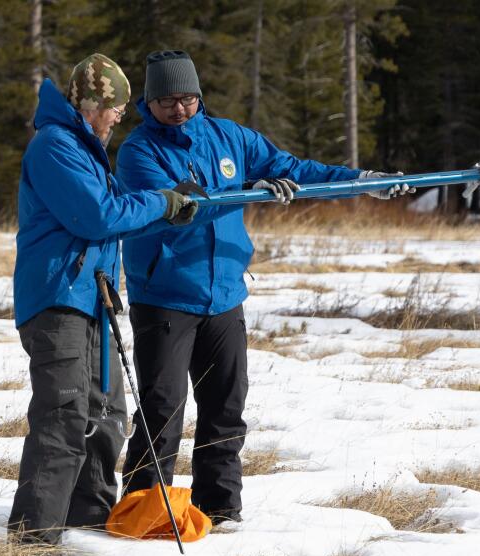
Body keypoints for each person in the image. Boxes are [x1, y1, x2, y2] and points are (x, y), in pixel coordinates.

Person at [115, 49, 411, 524]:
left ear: (199, 97)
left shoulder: (229, 136)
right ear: (148, 103)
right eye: (167, 100)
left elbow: (295, 167)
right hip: (166, 297)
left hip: (225, 296)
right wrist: (256, 192)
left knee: (225, 409)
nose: (179, 109)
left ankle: (220, 509)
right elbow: (181, 207)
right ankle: (143, 509)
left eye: (188, 98)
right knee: (162, 411)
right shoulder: (138, 152)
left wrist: (362, 181)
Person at [10, 53, 199, 545]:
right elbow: (97, 215)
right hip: (58, 301)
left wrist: (168, 209)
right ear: (92, 103)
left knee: (106, 412)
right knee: (64, 414)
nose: (120, 116)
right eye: (115, 107)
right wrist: (162, 202)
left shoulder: (85, 146)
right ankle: (34, 535)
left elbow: (116, 210)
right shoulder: (56, 147)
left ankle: (89, 520)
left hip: (93, 298)